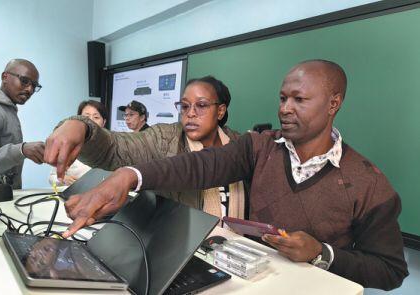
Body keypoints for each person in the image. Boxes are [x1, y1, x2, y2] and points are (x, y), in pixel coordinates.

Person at [55, 60, 408, 290]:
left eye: (299, 100)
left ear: (333, 103)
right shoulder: (259, 147)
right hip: (253, 281)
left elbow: (390, 272)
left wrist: (322, 253)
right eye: (282, 98)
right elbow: (198, 165)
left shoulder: (368, 184)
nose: (285, 109)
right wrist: (129, 176)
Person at [45, 76, 247, 219]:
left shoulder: (240, 145)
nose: (191, 113)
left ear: (220, 111)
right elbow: (115, 149)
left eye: (201, 105)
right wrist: (82, 126)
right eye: (185, 106)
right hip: (184, 249)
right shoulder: (164, 138)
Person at [0, 58, 45, 189]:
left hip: (3, 201)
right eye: (24, 81)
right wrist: (21, 150)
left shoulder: (7, 108)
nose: (30, 89)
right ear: (5, 77)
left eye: (34, 85)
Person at [48, 100, 108, 186]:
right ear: (79, 120)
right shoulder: (68, 145)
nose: (91, 121)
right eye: (86, 117)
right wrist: (63, 179)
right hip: (73, 196)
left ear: (104, 122)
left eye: (96, 117)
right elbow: (52, 177)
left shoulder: (110, 148)